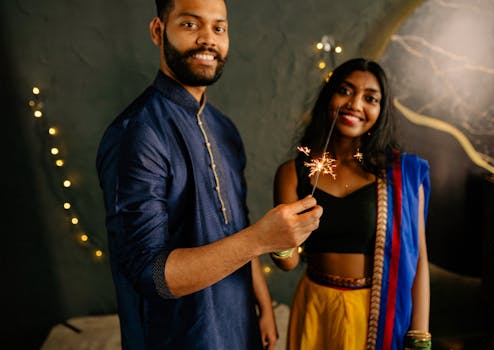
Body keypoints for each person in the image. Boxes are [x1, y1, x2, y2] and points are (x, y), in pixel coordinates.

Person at [95, 0, 323, 349]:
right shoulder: (137, 134)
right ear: (159, 31)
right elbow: (151, 274)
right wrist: (263, 239)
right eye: (190, 25)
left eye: (219, 28)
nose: (208, 39)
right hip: (175, 338)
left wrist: (261, 305)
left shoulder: (224, 129)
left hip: (238, 325)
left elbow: (236, 225)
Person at [271, 58, 431, 350]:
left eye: (370, 98)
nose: (355, 104)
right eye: (345, 91)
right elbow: (288, 262)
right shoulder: (293, 172)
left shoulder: (401, 176)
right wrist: (278, 238)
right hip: (314, 306)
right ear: (328, 97)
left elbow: (418, 259)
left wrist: (420, 336)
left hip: (373, 313)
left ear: (381, 111)